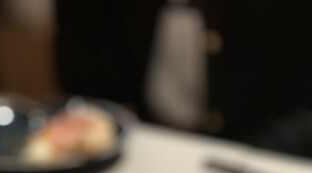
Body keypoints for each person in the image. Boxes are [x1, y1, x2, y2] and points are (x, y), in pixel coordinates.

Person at [54, 0, 312, 158]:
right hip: (132, 157)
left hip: (250, 161)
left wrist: (250, 157)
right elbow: (85, 88)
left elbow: (302, 111)